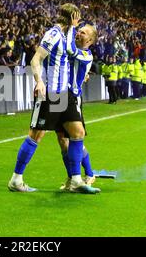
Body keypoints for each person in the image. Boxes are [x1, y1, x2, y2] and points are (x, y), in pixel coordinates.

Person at [8, 4, 93, 194]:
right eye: (77, 18)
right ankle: (16, 179)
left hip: (65, 94)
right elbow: (36, 59)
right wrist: (39, 82)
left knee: (77, 133)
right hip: (50, 94)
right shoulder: (53, 35)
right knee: (36, 135)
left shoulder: (66, 36)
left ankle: (76, 180)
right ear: (72, 18)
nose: (78, 23)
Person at [57, 23, 101, 193]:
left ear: (90, 39)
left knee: (76, 137)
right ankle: (71, 178)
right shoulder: (71, 48)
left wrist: (69, 27)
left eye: (82, 32)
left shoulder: (86, 55)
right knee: (62, 141)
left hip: (73, 99)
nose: (78, 33)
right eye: (78, 30)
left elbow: (70, 50)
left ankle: (89, 174)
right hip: (58, 96)